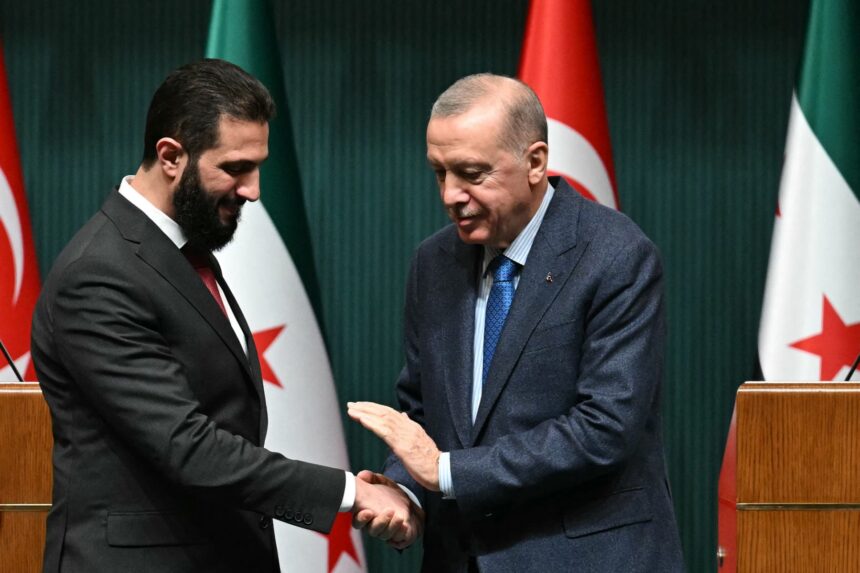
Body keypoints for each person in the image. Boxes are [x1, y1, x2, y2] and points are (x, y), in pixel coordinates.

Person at [31, 59, 414, 573]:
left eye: (258, 167)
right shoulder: (99, 273)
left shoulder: (182, 250)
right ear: (171, 156)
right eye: (235, 168)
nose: (254, 189)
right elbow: (187, 446)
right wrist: (351, 494)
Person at [348, 73, 685, 572]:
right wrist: (406, 493)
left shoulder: (616, 256)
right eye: (439, 172)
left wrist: (443, 473)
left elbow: (604, 429)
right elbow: (423, 409)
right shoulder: (433, 262)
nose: (450, 195)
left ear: (535, 162)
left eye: (471, 173)